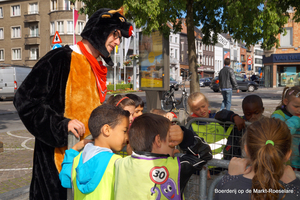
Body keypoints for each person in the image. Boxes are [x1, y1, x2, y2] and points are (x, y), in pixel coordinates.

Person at [13, 8, 133, 199]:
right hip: (57, 162)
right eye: (115, 34)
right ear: (98, 30)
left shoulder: (95, 65)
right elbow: (25, 100)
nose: (117, 42)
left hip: (87, 163)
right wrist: (61, 126)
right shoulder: (61, 58)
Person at [114, 113, 212, 199]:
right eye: (172, 140)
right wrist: (185, 137)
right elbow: (204, 154)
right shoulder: (175, 167)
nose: (174, 146)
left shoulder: (119, 164)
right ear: (158, 141)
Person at [214, 118, 300, 200]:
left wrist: (230, 178)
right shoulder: (294, 193)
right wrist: (294, 184)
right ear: (288, 154)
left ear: (246, 150)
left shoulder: (227, 187)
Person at [59, 104, 129, 199]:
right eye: (124, 131)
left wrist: (73, 150)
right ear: (106, 130)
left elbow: (65, 180)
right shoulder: (116, 162)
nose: (127, 137)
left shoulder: (77, 159)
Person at [215, 94, 265, 160]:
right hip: (238, 160)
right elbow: (218, 115)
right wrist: (234, 116)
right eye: (248, 114)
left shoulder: (267, 124)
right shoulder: (239, 123)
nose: (253, 117)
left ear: (262, 110)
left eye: (256, 113)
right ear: (244, 112)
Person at [187, 92, 232, 160]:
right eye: (197, 109)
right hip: (204, 165)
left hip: (223, 161)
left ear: (207, 103)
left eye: (203, 106)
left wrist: (234, 117)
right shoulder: (192, 125)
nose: (202, 110)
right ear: (192, 110)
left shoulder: (218, 118)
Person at [271, 86, 300, 170]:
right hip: (286, 163)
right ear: (286, 101)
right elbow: (283, 133)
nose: (299, 110)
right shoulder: (278, 115)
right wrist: (296, 120)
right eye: (296, 106)